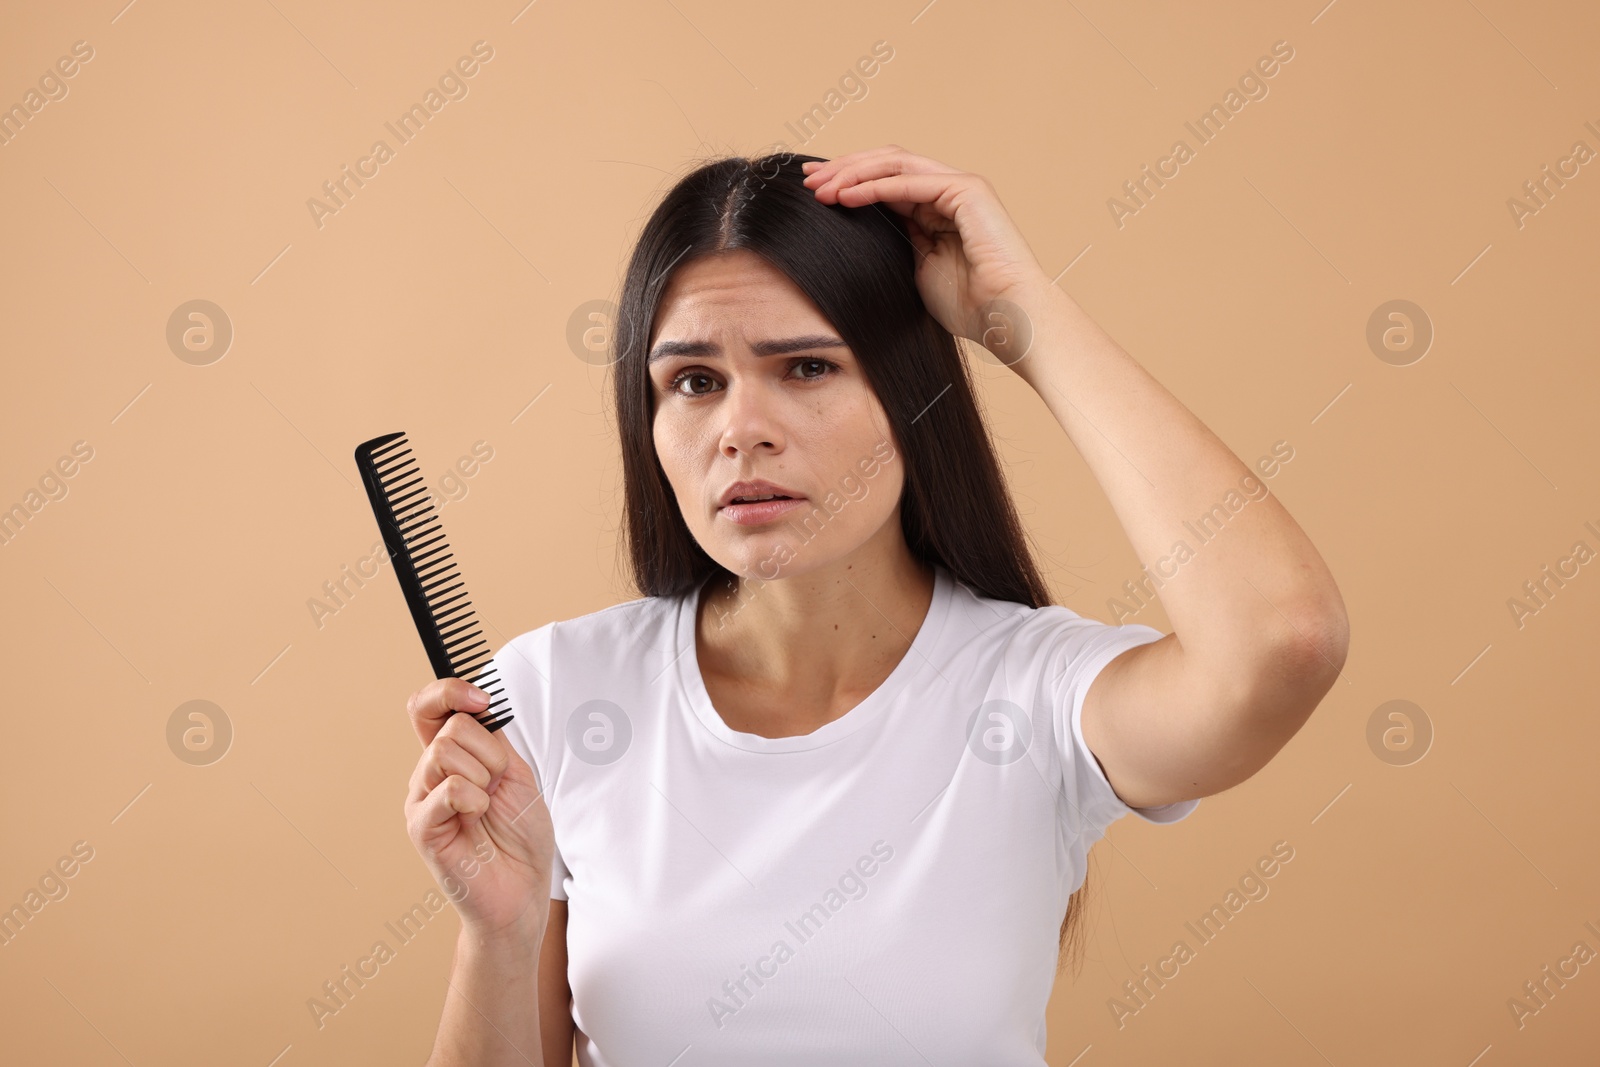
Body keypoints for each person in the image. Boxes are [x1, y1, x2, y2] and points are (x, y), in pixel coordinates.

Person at [402, 145, 1349, 1066]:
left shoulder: (1039, 694)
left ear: (911, 395)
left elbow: (1284, 640)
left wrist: (1023, 316)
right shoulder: (556, 692)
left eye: (807, 367)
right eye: (694, 381)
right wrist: (501, 933)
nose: (741, 432)